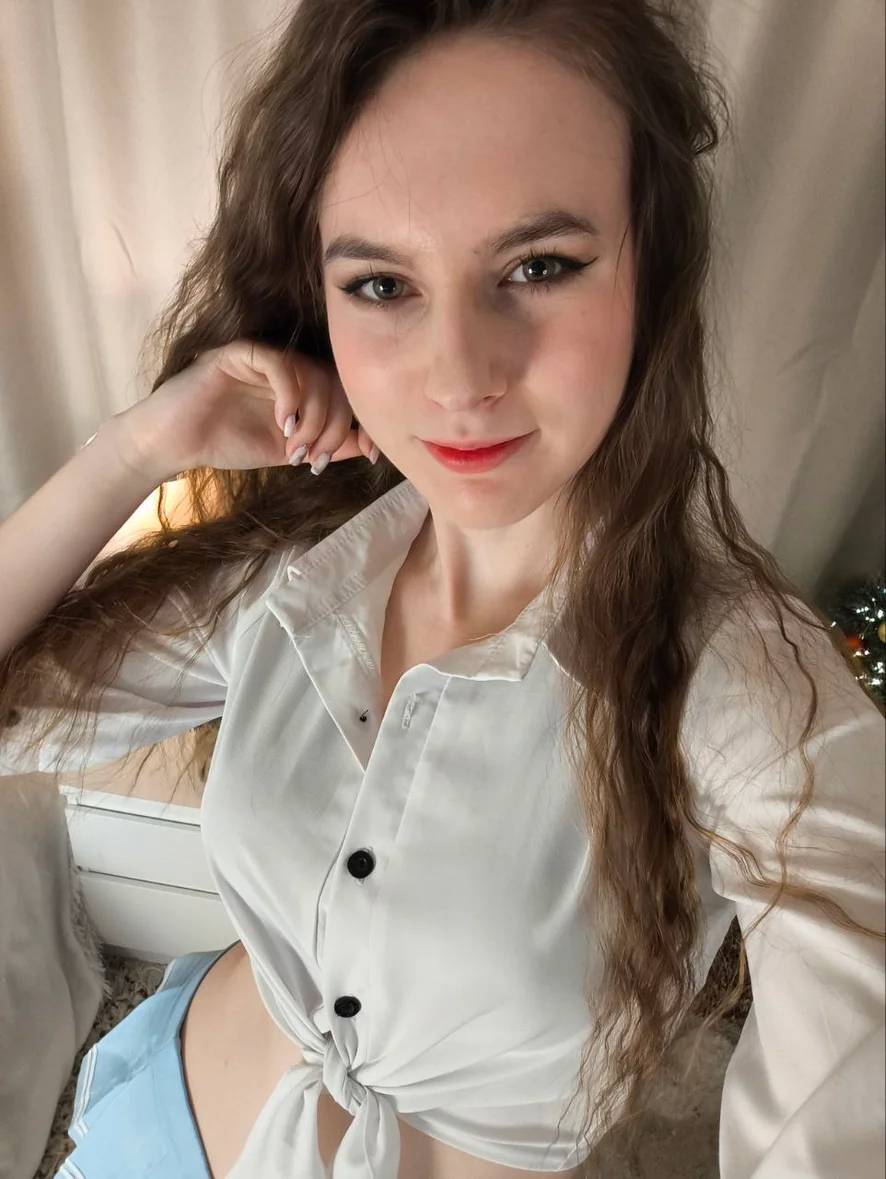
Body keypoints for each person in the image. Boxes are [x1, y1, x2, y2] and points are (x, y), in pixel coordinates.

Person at [1, 0, 883, 1176]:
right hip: (153, 1122)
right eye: (381, 285)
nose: (460, 377)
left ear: (652, 269)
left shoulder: (748, 696)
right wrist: (135, 451)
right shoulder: (292, 571)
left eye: (538, 267)